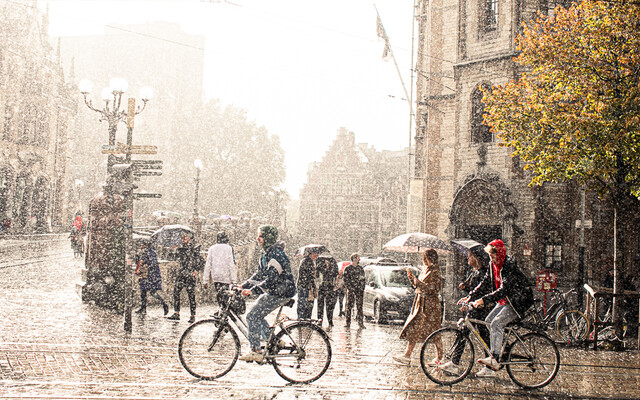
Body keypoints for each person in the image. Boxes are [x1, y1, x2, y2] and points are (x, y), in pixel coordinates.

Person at [470, 239, 533, 377]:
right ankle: (502, 349)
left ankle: (495, 358)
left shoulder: (508, 266)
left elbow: (505, 289)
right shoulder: (493, 265)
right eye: (490, 255)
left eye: (493, 254)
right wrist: (471, 296)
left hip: (516, 302)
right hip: (504, 301)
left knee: (496, 323)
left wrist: (484, 300)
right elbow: (485, 282)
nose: (491, 257)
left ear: (500, 253)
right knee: (488, 321)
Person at [237, 225, 296, 363]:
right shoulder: (266, 253)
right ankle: (274, 340)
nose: (258, 239)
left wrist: (253, 291)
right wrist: (243, 285)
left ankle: (255, 350)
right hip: (276, 291)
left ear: (268, 238)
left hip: (281, 291)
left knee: (252, 317)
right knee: (257, 314)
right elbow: (259, 275)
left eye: (261, 236)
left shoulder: (276, 255)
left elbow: (271, 279)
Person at [439, 244, 492, 375]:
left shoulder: (484, 272)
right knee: (472, 335)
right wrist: (467, 291)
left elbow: (482, 291)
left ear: (476, 258)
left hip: (480, 308)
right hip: (475, 307)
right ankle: (489, 363)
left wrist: (470, 299)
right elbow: (473, 289)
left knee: (467, 334)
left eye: (470, 256)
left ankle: (456, 363)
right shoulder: (474, 271)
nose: (467, 258)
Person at [392, 249, 442, 365]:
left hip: (430, 305)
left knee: (434, 331)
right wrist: (413, 280)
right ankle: (407, 355)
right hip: (420, 303)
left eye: (425, 257)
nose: (424, 260)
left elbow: (433, 289)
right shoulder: (425, 270)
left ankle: (439, 358)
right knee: (414, 327)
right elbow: (420, 285)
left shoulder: (435, 271)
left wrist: (418, 282)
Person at [167, 234, 204, 323]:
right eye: (182, 238)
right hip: (182, 274)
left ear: (189, 238)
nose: (183, 239)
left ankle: (192, 315)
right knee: (176, 292)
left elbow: (201, 261)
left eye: (185, 237)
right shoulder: (180, 249)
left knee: (191, 295)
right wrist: (173, 250)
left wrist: (196, 270)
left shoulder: (194, 248)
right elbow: (171, 258)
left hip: (190, 275)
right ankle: (176, 313)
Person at [134, 238, 169, 316]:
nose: (140, 246)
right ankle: (143, 308)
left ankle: (164, 304)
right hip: (149, 275)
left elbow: (150, 263)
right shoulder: (149, 252)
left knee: (152, 292)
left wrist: (144, 262)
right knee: (143, 291)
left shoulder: (149, 252)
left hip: (150, 275)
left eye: (142, 244)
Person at [202, 231, 237, 305]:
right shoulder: (228, 248)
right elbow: (231, 264)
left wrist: (205, 280)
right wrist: (234, 280)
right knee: (226, 295)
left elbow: (208, 264)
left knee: (219, 294)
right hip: (226, 276)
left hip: (216, 275)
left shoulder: (212, 248)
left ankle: (221, 308)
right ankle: (224, 310)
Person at [343, 253, 366, 329]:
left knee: (359, 307)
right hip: (351, 290)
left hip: (359, 290)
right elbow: (345, 280)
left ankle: (360, 323)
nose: (359, 259)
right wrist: (350, 288)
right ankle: (348, 322)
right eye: (358, 258)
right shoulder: (347, 268)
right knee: (349, 306)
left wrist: (361, 288)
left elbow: (363, 279)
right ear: (354, 258)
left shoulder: (360, 268)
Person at [316, 256, 338, 327]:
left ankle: (330, 320)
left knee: (329, 306)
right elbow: (317, 276)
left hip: (329, 287)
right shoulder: (320, 267)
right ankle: (320, 320)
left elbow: (334, 274)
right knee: (320, 305)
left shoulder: (333, 269)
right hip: (322, 287)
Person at [297, 249, 318, 320]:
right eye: (316, 253)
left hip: (305, 285)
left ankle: (303, 318)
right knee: (304, 303)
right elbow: (307, 275)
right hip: (304, 286)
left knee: (304, 303)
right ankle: (303, 319)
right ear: (311, 253)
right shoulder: (307, 261)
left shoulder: (308, 261)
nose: (317, 255)